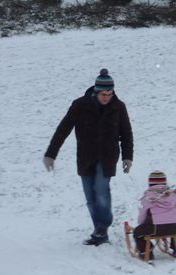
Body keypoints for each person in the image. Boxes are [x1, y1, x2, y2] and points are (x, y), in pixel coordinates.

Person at [44, 68, 133, 246]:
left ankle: (103, 227)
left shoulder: (118, 107)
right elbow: (63, 129)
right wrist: (51, 154)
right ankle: (99, 230)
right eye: (103, 93)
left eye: (110, 93)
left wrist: (127, 157)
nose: (107, 97)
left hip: (107, 157)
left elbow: (126, 133)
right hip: (86, 157)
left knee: (101, 190)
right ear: (96, 91)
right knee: (90, 197)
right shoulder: (80, 105)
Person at [133, 170, 176, 258]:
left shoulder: (148, 196)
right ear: (165, 183)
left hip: (154, 228)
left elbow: (143, 213)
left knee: (137, 233)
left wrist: (141, 224)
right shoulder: (172, 194)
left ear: (150, 184)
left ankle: (146, 253)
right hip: (174, 227)